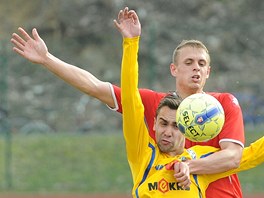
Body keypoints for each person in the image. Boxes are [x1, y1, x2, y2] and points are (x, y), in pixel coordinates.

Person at [11, 7, 244, 198]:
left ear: (209, 72)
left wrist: (187, 166)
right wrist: (47, 59)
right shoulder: (155, 103)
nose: (196, 67)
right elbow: (94, 86)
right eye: (190, 61)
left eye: (202, 64)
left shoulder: (223, 104)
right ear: (173, 69)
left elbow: (233, 157)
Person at [117, 8, 264, 197]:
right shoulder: (143, 156)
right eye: (163, 123)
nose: (168, 132)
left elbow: (252, 154)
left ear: (186, 129)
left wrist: (189, 166)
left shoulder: (197, 160)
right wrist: (131, 43)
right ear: (153, 125)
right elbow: (130, 98)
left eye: (176, 125)